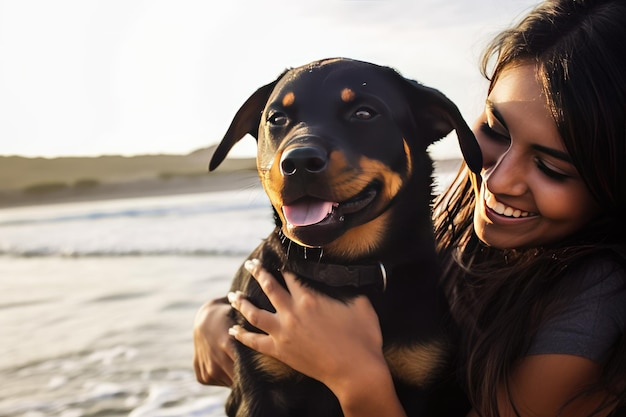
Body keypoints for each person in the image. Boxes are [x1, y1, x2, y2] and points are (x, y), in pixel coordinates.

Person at [193, 0, 626, 415]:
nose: (496, 180)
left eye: (552, 167)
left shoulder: (597, 301)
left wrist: (355, 379)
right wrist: (215, 317)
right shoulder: (445, 228)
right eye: (494, 130)